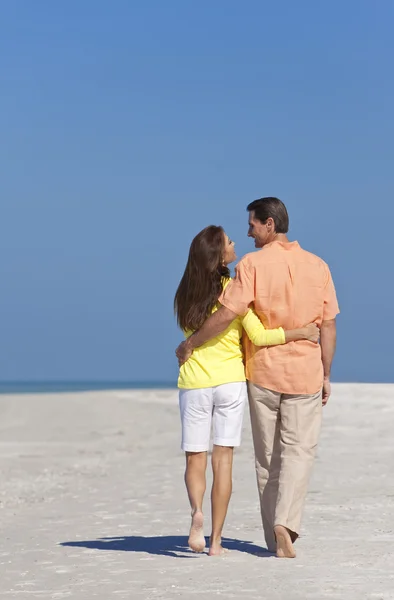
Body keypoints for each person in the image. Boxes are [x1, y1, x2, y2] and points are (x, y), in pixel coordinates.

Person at [176, 198, 339, 559]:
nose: (248, 232)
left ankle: (271, 534)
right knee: (300, 452)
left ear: (269, 223)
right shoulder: (319, 265)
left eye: (251, 225)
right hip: (306, 374)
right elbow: (328, 325)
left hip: (261, 373)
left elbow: (226, 314)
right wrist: (326, 372)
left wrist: (189, 343)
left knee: (268, 459)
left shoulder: (249, 266)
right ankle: (286, 522)